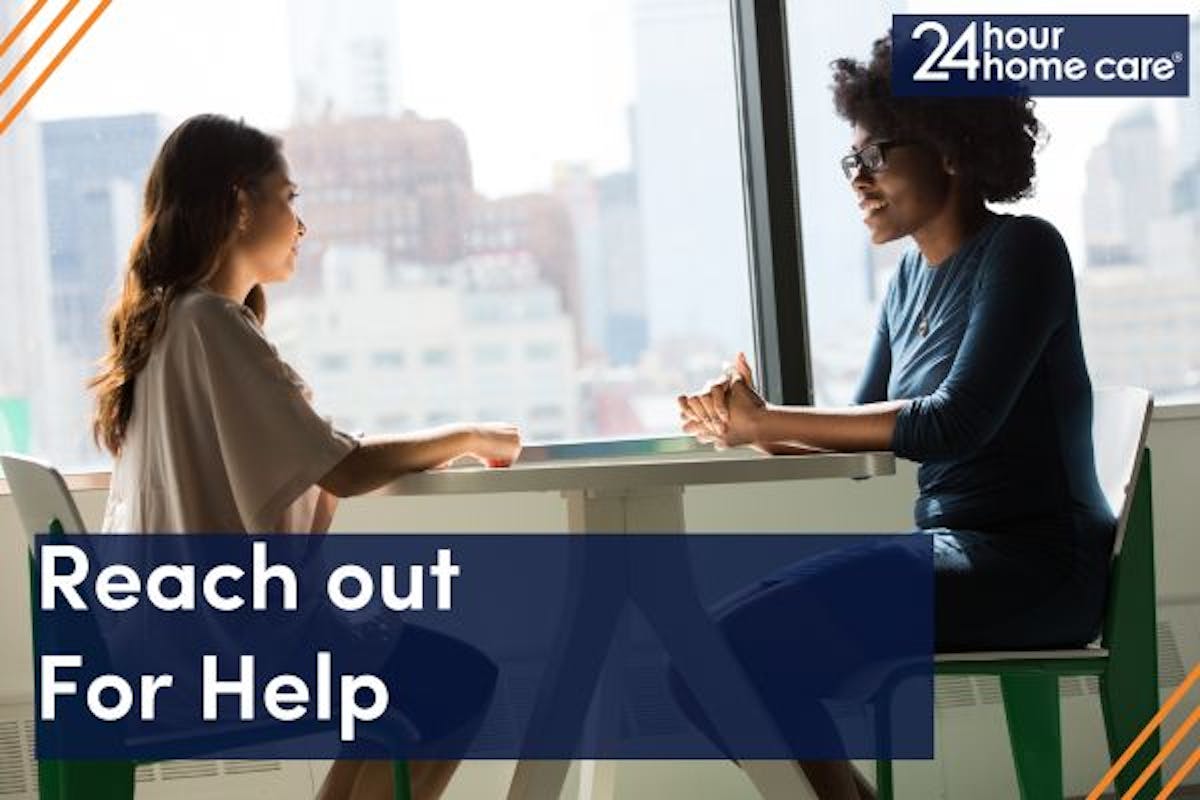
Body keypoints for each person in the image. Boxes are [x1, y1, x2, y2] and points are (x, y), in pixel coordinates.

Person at [677, 34, 1115, 800]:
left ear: (949, 147)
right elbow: (860, 443)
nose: (859, 180)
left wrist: (769, 418)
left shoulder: (1024, 251)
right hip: (949, 551)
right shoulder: (908, 281)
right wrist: (744, 425)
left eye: (875, 155)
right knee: (699, 664)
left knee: (727, 654)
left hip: (1035, 566)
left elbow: (953, 424)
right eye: (853, 162)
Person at [90, 113, 521, 800]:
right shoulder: (208, 322)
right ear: (239, 204)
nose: (302, 223)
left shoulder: (168, 322)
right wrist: (466, 436)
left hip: (158, 641)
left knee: (397, 702)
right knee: (456, 682)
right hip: (212, 649)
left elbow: (308, 462)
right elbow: (341, 469)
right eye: (288, 199)